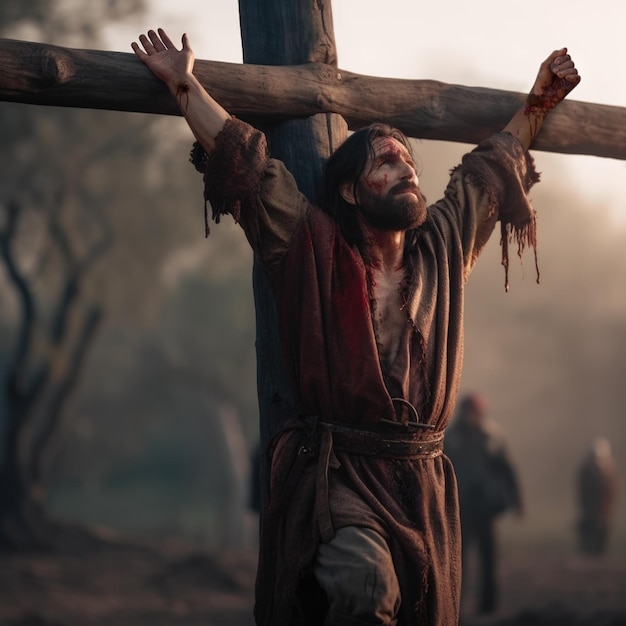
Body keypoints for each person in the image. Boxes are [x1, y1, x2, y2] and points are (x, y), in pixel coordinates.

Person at [132, 29, 580, 626]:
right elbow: (251, 167)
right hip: (342, 472)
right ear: (349, 189)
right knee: (362, 587)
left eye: (409, 163)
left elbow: (487, 175)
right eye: (386, 163)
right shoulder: (311, 244)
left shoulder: (443, 250)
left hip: (422, 483)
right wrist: (185, 84)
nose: (406, 171)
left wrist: (537, 103)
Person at [444, 394, 523, 615]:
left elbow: (508, 469)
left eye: (474, 412)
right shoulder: (451, 437)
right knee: (459, 560)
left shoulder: (492, 436)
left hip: (486, 507)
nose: (471, 416)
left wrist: (517, 501)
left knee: (489, 557)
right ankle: (455, 605)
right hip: (460, 507)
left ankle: (489, 605)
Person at [576, 437, 619, 555]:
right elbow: (584, 490)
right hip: (591, 506)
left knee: (603, 530)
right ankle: (588, 552)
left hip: (604, 506)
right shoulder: (587, 469)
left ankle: (599, 553)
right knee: (590, 529)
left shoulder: (608, 470)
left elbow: (612, 490)